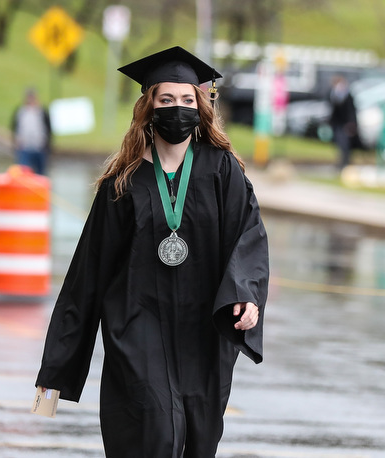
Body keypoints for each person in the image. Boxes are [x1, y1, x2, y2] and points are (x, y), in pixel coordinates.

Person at [35, 46, 270, 457]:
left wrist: (246, 294)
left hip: (203, 326)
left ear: (200, 106)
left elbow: (247, 236)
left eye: (186, 100)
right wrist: (56, 368)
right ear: (148, 107)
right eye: (166, 100)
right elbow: (87, 276)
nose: (177, 108)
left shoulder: (221, 169)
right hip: (137, 323)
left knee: (200, 435)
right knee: (154, 428)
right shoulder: (122, 185)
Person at [11, 88, 51, 175]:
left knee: (41, 174)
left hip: (39, 148)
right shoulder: (20, 111)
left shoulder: (42, 111)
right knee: (23, 173)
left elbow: (48, 129)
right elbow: (15, 127)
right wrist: (16, 143)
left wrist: (47, 146)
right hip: (24, 148)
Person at [329, 75, 358, 170]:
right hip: (337, 124)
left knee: (345, 145)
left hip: (346, 125)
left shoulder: (347, 95)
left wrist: (352, 124)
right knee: (340, 144)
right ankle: (342, 163)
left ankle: (345, 164)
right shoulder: (334, 95)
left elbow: (351, 111)